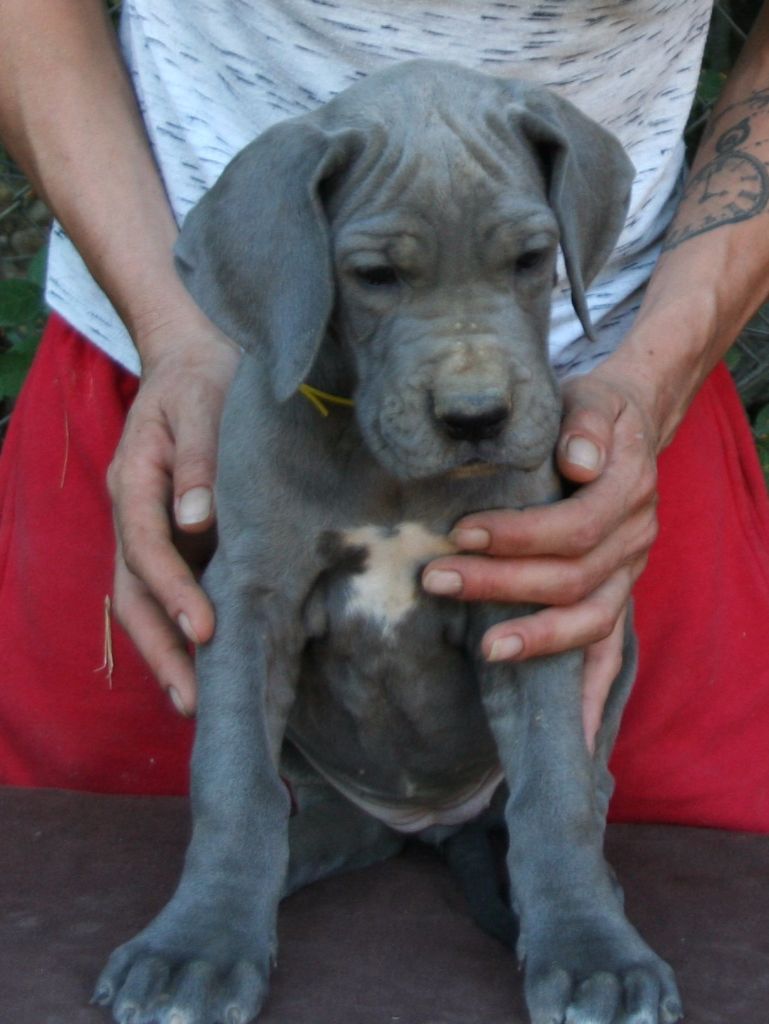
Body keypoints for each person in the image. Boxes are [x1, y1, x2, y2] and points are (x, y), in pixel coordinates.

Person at [1, 0, 768, 828]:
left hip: (610, 411)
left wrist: (655, 374)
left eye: (527, 253)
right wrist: (170, 332)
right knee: (91, 844)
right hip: (192, 378)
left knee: (667, 862)